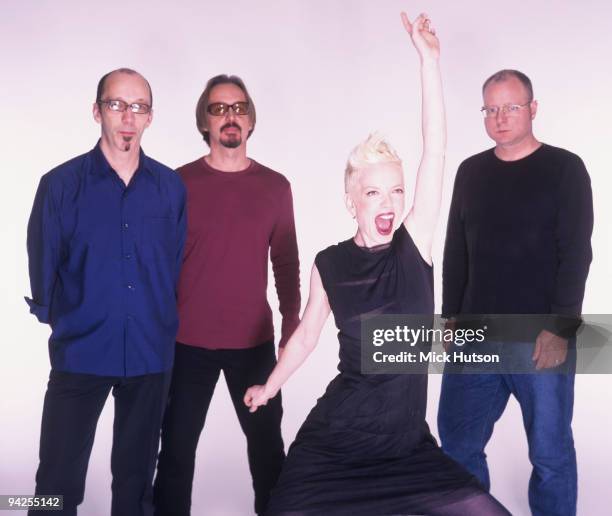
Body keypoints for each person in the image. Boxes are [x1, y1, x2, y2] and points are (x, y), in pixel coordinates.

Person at [244, 13, 510, 516]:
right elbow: (305, 336)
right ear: (352, 200)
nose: (387, 202)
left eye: (395, 190)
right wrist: (269, 386)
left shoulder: (415, 248)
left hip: (406, 448)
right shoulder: (330, 263)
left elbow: (436, 151)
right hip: (337, 443)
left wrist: (429, 61)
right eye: (372, 192)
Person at [25, 68, 187, 516]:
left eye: (138, 107)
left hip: (150, 356)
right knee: (54, 482)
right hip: (82, 351)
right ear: (97, 111)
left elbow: (172, 264)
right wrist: (77, 318)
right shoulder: (59, 185)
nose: (127, 117)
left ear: (150, 117)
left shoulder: (170, 188)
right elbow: (44, 270)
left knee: (137, 484)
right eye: (117, 105)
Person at [438, 69, 593, 516]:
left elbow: (575, 253)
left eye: (511, 107)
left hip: (539, 337)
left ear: (532, 109)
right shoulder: (471, 172)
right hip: (476, 334)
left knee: (549, 453)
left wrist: (560, 326)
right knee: (457, 444)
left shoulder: (565, 169)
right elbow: (456, 252)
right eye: (491, 109)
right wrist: (450, 318)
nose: (500, 118)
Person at [153, 74, 300, 516]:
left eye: (238, 108)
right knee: (175, 455)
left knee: (269, 453)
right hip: (186, 344)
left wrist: (291, 331)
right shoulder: (177, 184)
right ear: (205, 121)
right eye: (218, 109)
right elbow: (159, 264)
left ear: (251, 119)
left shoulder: (275, 187)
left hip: (253, 345)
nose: (229, 116)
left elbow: (287, 265)